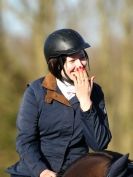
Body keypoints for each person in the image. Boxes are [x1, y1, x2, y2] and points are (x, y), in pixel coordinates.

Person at [6, 28, 112, 177]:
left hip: (77, 171)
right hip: (34, 172)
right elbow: (25, 141)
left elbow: (99, 145)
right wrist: (41, 171)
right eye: (72, 60)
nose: (80, 65)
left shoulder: (95, 92)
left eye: (82, 57)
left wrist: (85, 102)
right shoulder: (35, 92)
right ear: (56, 64)